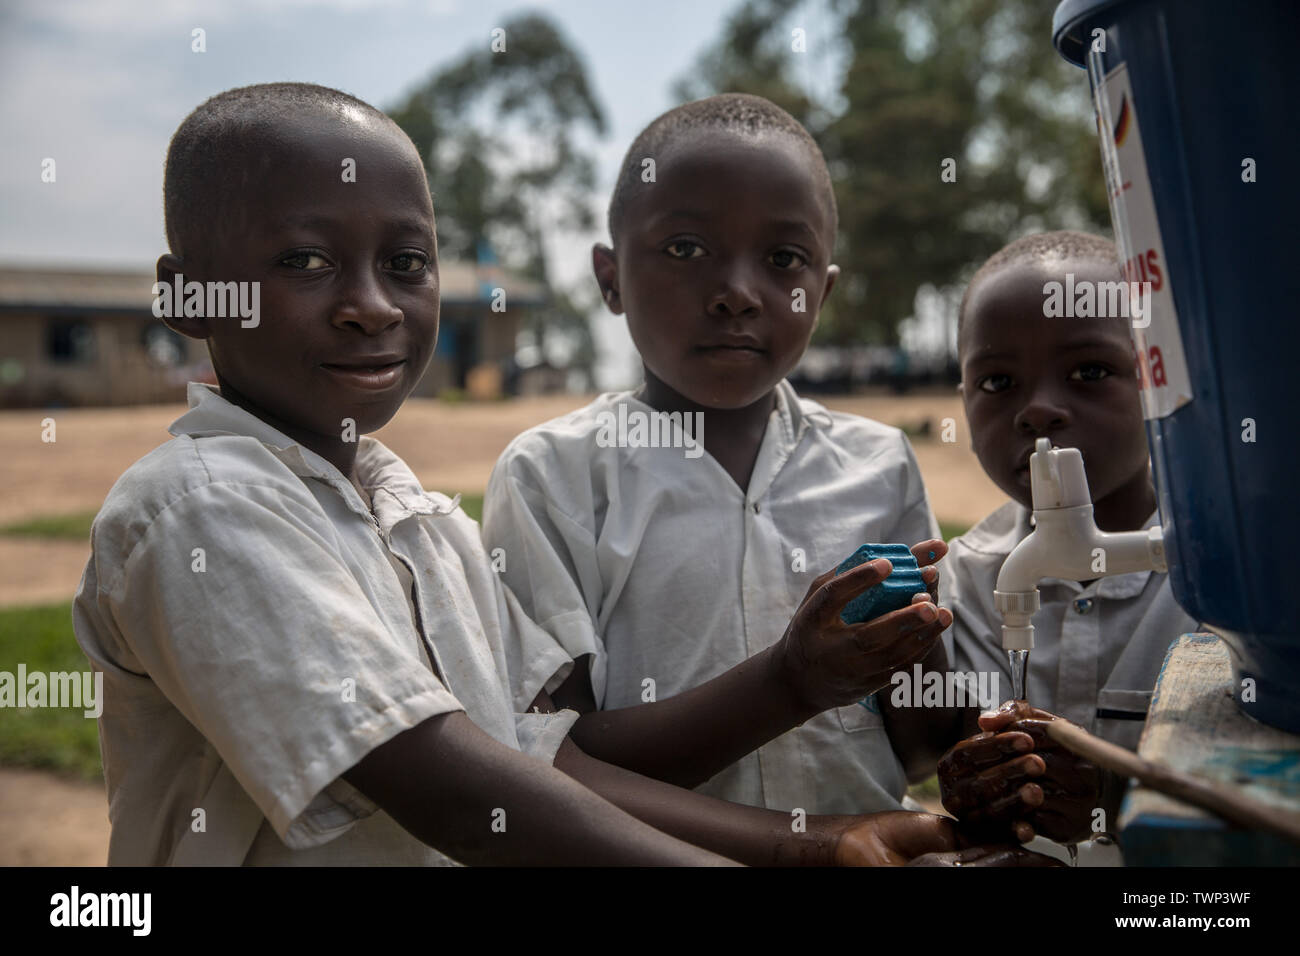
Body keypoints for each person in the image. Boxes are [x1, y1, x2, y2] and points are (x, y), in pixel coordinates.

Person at [73, 82, 1029, 867]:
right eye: (306, 261)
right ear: (187, 294)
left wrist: (827, 846)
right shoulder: (201, 506)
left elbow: (548, 756)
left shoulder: (418, 520)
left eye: (405, 262)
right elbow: (455, 789)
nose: (369, 306)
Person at [483, 94, 953, 815]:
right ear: (610, 278)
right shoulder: (553, 479)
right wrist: (790, 685)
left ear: (819, 293)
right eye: (686, 250)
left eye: (783, 259)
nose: (737, 293)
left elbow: (923, 748)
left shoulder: (878, 465)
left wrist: (976, 736)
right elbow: (551, 761)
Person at [933, 231, 1198, 854]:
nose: (1041, 409)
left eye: (1089, 371)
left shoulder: (1216, 578)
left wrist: (1115, 796)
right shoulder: (965, 586)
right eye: (998, 383)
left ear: (1154, 381)